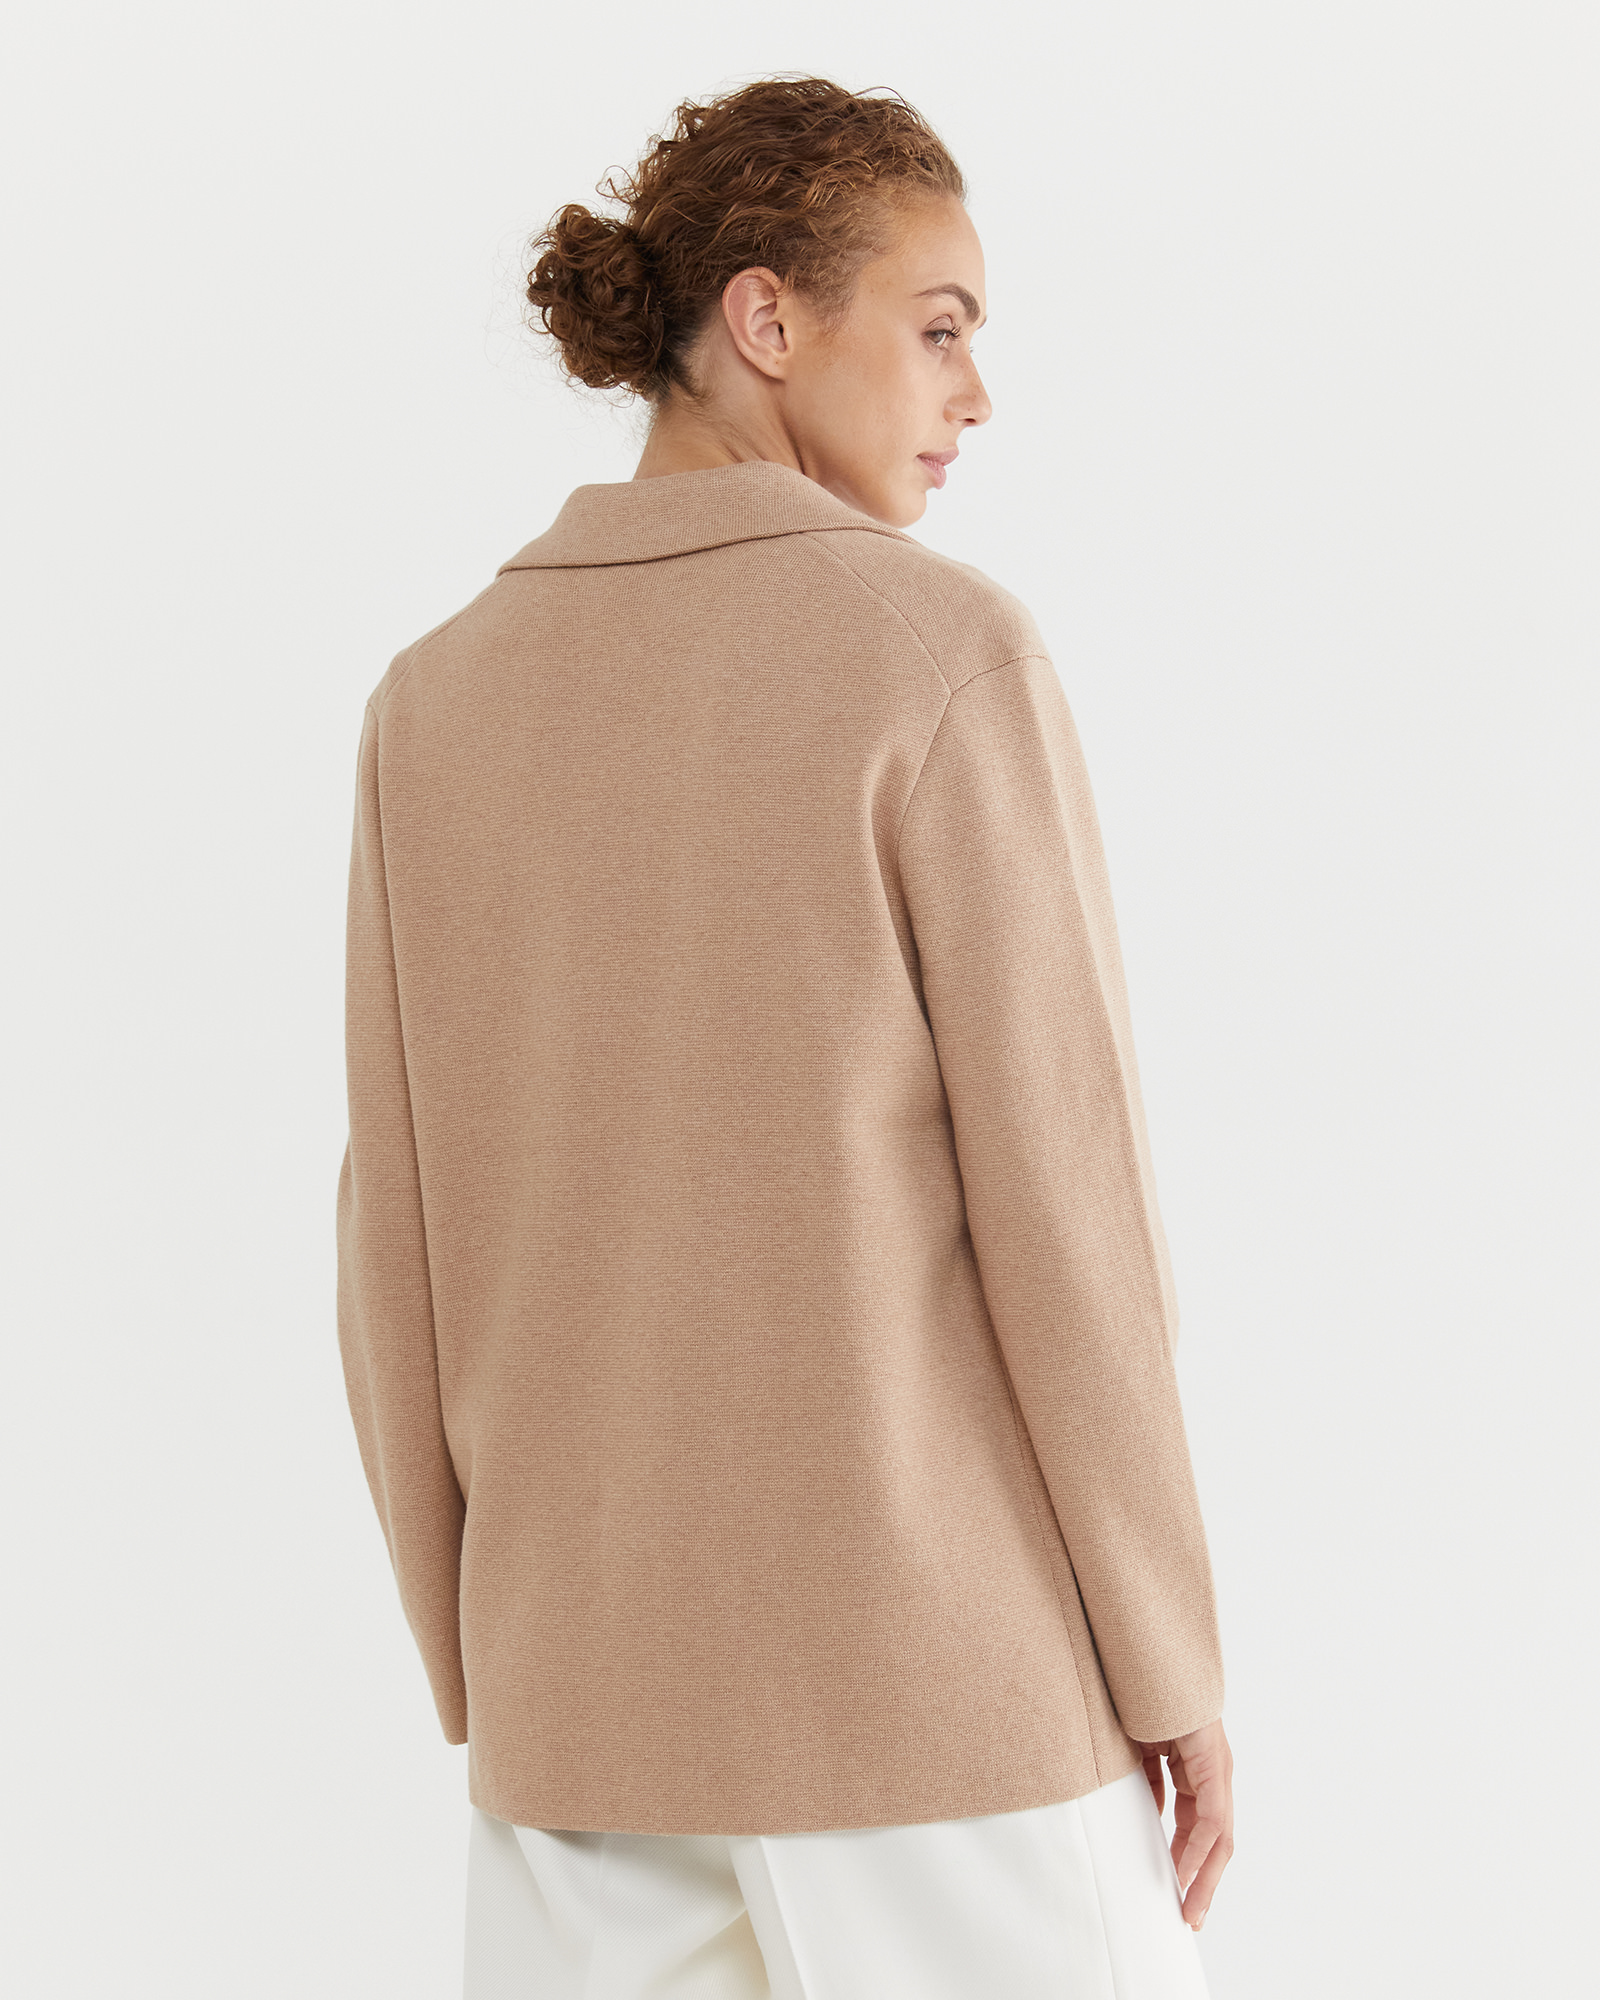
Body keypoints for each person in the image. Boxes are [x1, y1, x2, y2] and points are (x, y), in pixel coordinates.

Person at [336, 75, 1235, 2000]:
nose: (976, 393)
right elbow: (1067, 1219)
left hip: (582, 1728)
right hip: (939, 1722)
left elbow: (390, 1246)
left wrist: (490, 1665)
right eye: (940, 328)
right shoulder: (935, 655)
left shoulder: (434, 702)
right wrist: (1170, 1661)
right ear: (765, 318)